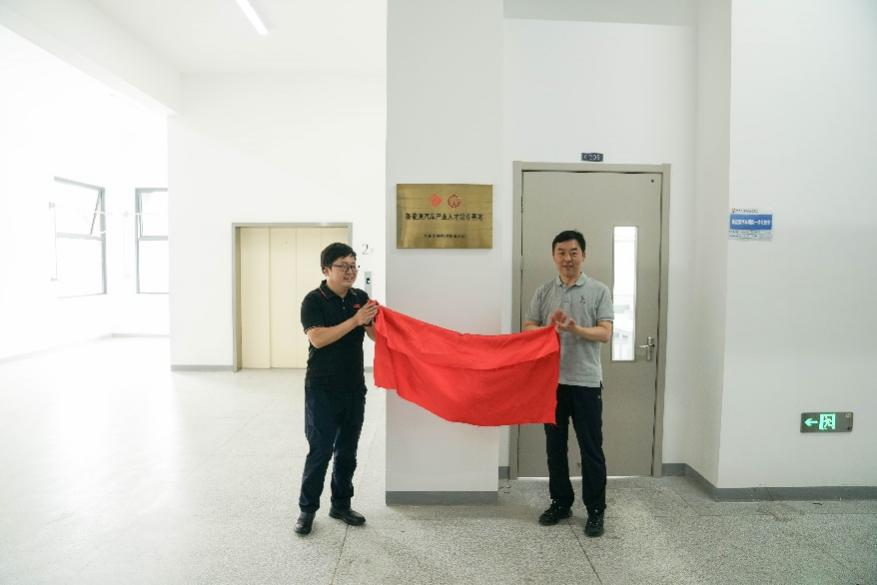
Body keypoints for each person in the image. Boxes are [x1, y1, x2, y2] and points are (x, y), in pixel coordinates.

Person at [523, 230, 613, 537]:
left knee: (591, 449)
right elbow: (528, 326)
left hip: (586, 382)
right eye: (561, 252)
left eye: (573, 252)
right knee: (555, 448)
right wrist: (546, 330)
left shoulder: (599, 290)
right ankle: (561, 503)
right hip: (552, 384)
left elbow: (604, 333)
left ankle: (596, 510)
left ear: (583, 255)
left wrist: (575, 329)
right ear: (553, 256)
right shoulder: (544, 291)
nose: (567, 258)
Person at [294, 242, 379, 536]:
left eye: (353, 265)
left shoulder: (360, 298)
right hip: (322, 387)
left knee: (348, 451)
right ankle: (307, 510)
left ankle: (341, 505)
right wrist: (355, 320)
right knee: (320, 450)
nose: (350, 271)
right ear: (326, 269)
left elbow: (375, 336)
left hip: (354, 387)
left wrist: (371, 321)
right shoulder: (313, 300)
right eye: (343, 266)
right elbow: (318, 339)